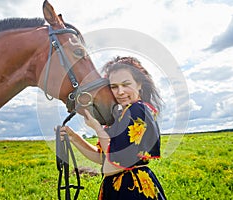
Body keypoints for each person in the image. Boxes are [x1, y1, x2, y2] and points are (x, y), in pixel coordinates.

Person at [60, 56, 167, 199]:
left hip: (132, 189)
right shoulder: (121, 116)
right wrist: (74, 138)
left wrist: (97, 128)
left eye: (126, 84)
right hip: (117, 188)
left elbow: (116, 156)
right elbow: (103, 157)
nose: (120, 92)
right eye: (114, 86)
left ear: (139, 84)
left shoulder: (138, 110)